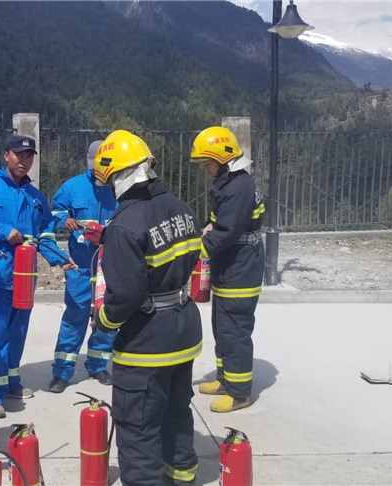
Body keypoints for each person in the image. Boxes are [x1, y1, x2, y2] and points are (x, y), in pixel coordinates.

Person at [92, 130, 203, 485]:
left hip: (146, 341)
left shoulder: (124, 225)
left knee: (138, 424)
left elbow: (125, 295)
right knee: (176, 413)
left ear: (116, 176)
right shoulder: (182, 209)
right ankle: (182, 477)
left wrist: (103, 320)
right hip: (184, 330)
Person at [0, 134, 76, 418]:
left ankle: (11, 381)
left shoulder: (36, 197)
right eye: (18, 155)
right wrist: (3, 231)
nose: (23, 161)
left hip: (25, 277)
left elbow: (45, 233)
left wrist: (59, 259)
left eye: (28, 156)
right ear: (6, 155)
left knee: (17, 332)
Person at [189, 126, 265, 413]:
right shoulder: (230, 183)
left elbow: (226, 232)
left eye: (207, 163)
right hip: (230, 264)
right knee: (222, 325)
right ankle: (225, 379)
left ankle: (239, 392)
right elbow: (219, 222)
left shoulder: (237, 189)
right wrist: (210, 226)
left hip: (241, 267)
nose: (205, 168)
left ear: (222, 159)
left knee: (234, 328)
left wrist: (195, 252)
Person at [47, 140, 118, 393]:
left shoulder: (118, 188)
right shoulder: (72, 187)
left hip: (109, 266)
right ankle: (62, 371)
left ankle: (98, 365)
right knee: (75, 316)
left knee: (106, 316)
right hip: (80, 266)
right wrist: (65, 219)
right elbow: (53, 213)